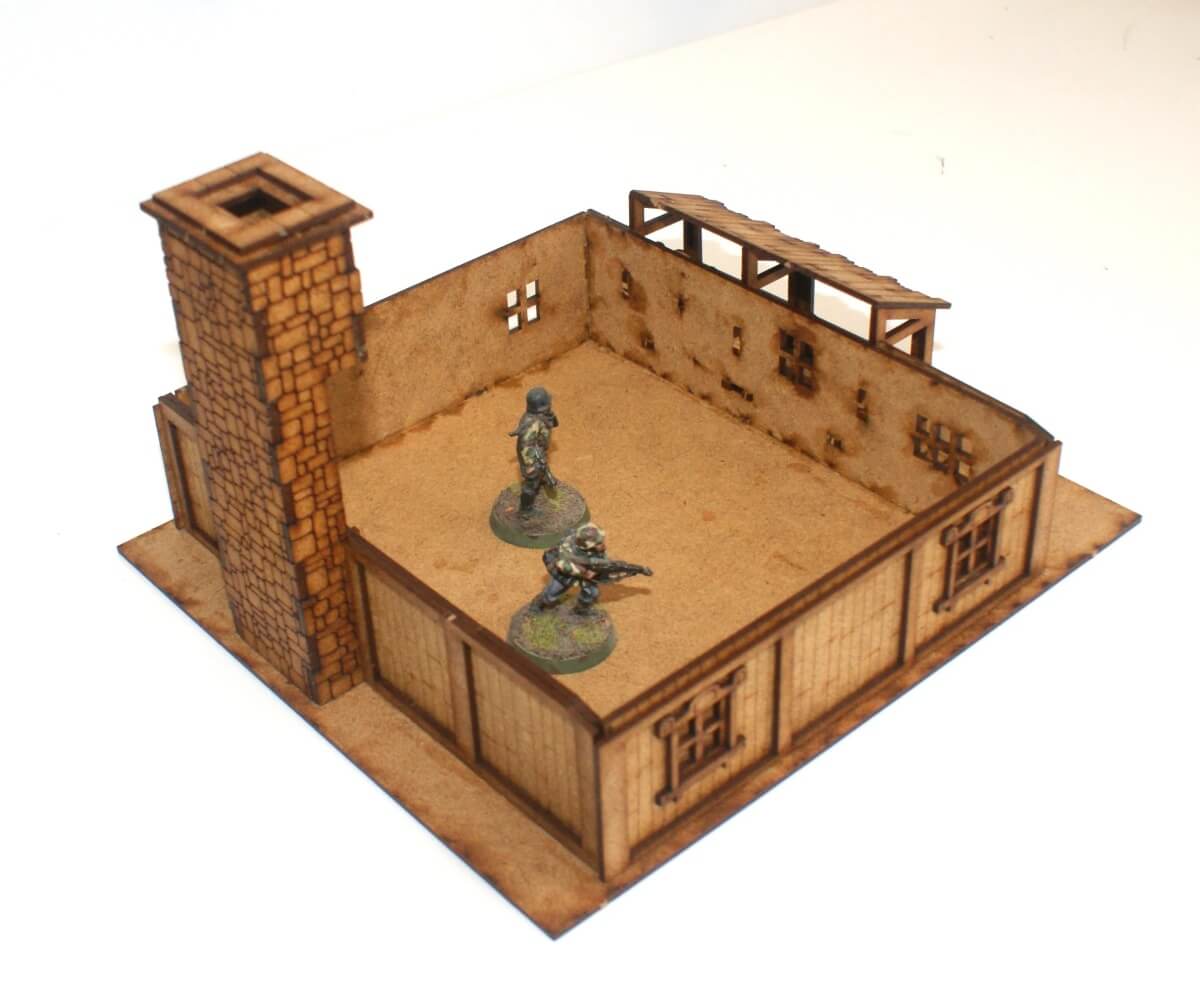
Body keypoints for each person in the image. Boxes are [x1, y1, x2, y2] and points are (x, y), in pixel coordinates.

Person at [534, 523, 652, 616]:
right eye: (598, 543)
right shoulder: (568, 547)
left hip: (588, 572)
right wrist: (583, 572)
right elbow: (561, 564)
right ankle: (539, 605)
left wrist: (601, 568)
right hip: (565, 575)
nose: (601, 544)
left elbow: (601, 560)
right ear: (586, 545)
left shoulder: (596, 548)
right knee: (553, 591)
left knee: (592, 593)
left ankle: (580, 611)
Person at [508, 387, 559, 516]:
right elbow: (525, 446)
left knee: (540, 473)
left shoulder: (540, 417)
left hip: (539, 453)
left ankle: (540, 480)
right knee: (530, 485)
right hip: (531, 459)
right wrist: (531, 465)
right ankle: (526, 510)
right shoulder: (532, 423)